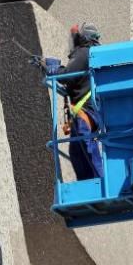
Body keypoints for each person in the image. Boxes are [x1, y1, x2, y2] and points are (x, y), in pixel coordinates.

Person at [41, 22, 105, 180]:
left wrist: (52, 69)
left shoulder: (84, 53)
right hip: (90, 111)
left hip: (87, 112)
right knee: (76, 151)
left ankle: (99, 182)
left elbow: (69, 75)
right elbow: (75, 77)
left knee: (85, 146)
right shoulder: (91, 54)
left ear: (83, 38)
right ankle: (87, 183)